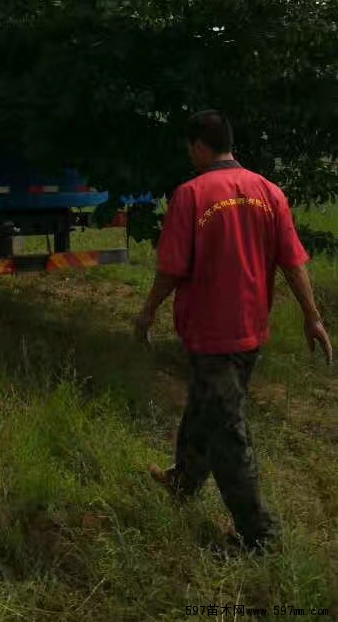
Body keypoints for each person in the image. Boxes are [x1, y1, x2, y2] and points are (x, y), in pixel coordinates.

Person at [135, 110, 332, 553]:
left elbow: (170, 271)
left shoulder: (191, 195)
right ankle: (183, 481)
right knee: (206, 405)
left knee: (227, 430)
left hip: (211, 334)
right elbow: (293, 262)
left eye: (190, 148)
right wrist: (312, 316)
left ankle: (258, 536)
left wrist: (147, 313)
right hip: (250, 334)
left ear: (199, 147)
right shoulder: (269, 192)